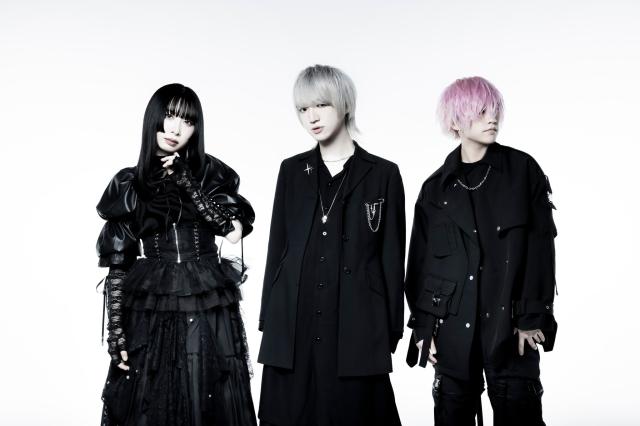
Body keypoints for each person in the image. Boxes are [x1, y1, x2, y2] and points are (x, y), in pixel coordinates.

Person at [96, 83, 257, 426]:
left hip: (206, 300)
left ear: (196, 129)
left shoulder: (210, 173)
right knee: (152, 400)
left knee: (206, 395)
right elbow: (118, 265)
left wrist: (190, 184)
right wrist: (116, 333)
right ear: (154, 118)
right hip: (152, 304)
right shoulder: (130, 183)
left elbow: (232, 232)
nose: (175, 128)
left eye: (187, 120)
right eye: (169, 115)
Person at [405, 76, 558, 426]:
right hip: (453, 332)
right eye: (480, 111)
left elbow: (540, 251)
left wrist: (531, 316)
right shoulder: (435, 189)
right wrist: (424, 327)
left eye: (494, 110)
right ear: (455, 122)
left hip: (510, 330)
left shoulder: (523, 172)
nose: (492, 118)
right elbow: (421, 266)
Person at [257, 65, 405, 426]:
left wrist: (390, 329)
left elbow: (392, 258)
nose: (312, 117)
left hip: (357, 327)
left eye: (321, 105)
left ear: (344, 104)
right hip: (293, 326)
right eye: (303, 109)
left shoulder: (383, 174)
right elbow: (277, 250)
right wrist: (268, 319)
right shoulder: (291, 171)